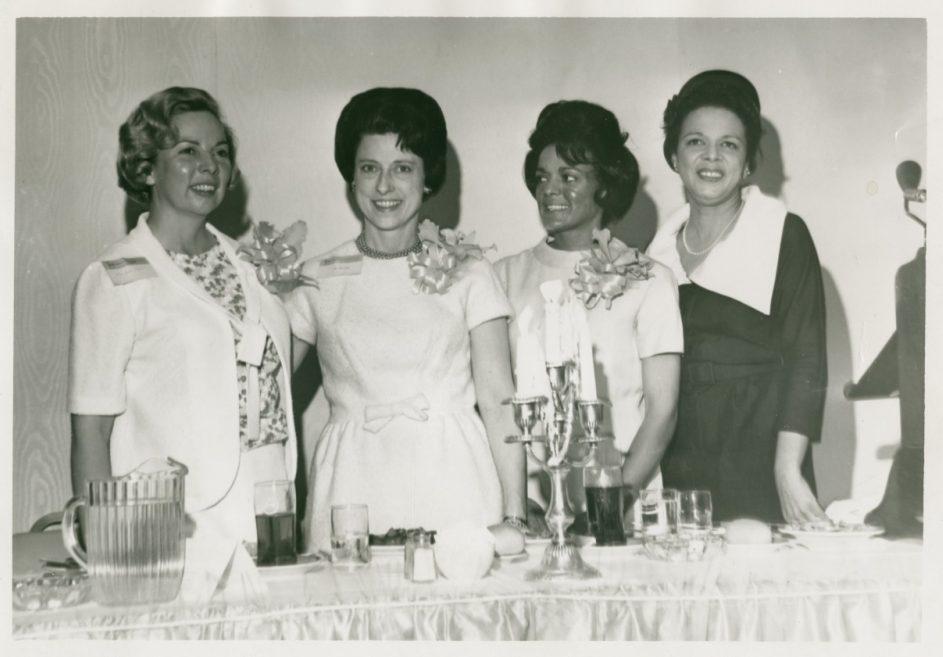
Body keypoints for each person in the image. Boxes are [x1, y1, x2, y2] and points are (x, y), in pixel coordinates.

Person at [286, 87, 526, 552]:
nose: (383, 187)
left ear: (427, 178)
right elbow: (261, 391)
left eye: (402, 169)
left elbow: (499, 401)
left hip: (453, 472)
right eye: (369, 168)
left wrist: (516, 514)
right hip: (352, 480)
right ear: (351, 177)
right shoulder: (314, 278)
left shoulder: (469, 271)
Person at [69, 87, 297, 544]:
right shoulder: (113, 278)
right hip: (174, 520)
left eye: (220, 152)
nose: (209, 165)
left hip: (270, 505)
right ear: (146, 168)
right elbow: (91, 429)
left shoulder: (250, 266)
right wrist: (107, 543)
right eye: (187, 151)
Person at [647, 70, 828, 525]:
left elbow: (808, 359)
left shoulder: (782, 232)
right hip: (680, 449)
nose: (711, 156)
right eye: (695, 142)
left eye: (729, 144)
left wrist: (787, 469)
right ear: (674, 154)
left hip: (761, 447)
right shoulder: (655, 251)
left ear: (748, 162)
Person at [495, 100, 682, 528]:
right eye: (542, 177)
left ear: (605, 185)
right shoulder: (502, 277)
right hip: (530, 510)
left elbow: (662, 411)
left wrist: (611, 504)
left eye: (569, 176)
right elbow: (493, 403)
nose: (549, 190)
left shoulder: (650, 279)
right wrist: (521, 503)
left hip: (625, 506)